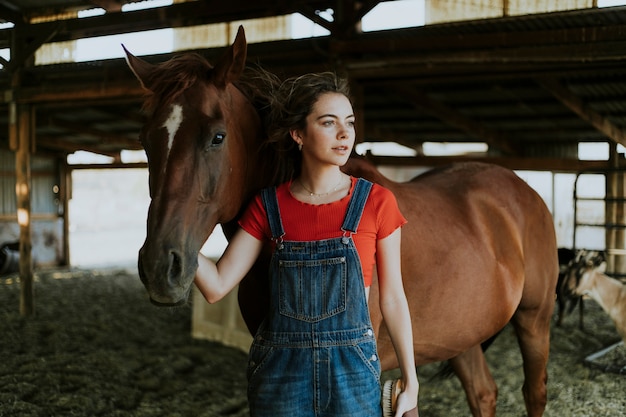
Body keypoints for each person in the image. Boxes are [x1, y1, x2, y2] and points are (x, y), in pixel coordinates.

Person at [194, 71, 419, 417]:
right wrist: (174, 238)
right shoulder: (267, 206)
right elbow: (216, 286)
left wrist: (411, 381)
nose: (345, 134)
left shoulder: (376, 202)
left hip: (354, 372)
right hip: (280, 375)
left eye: (349, 122)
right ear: (298, 134)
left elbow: (392, 298)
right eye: (329, 123)